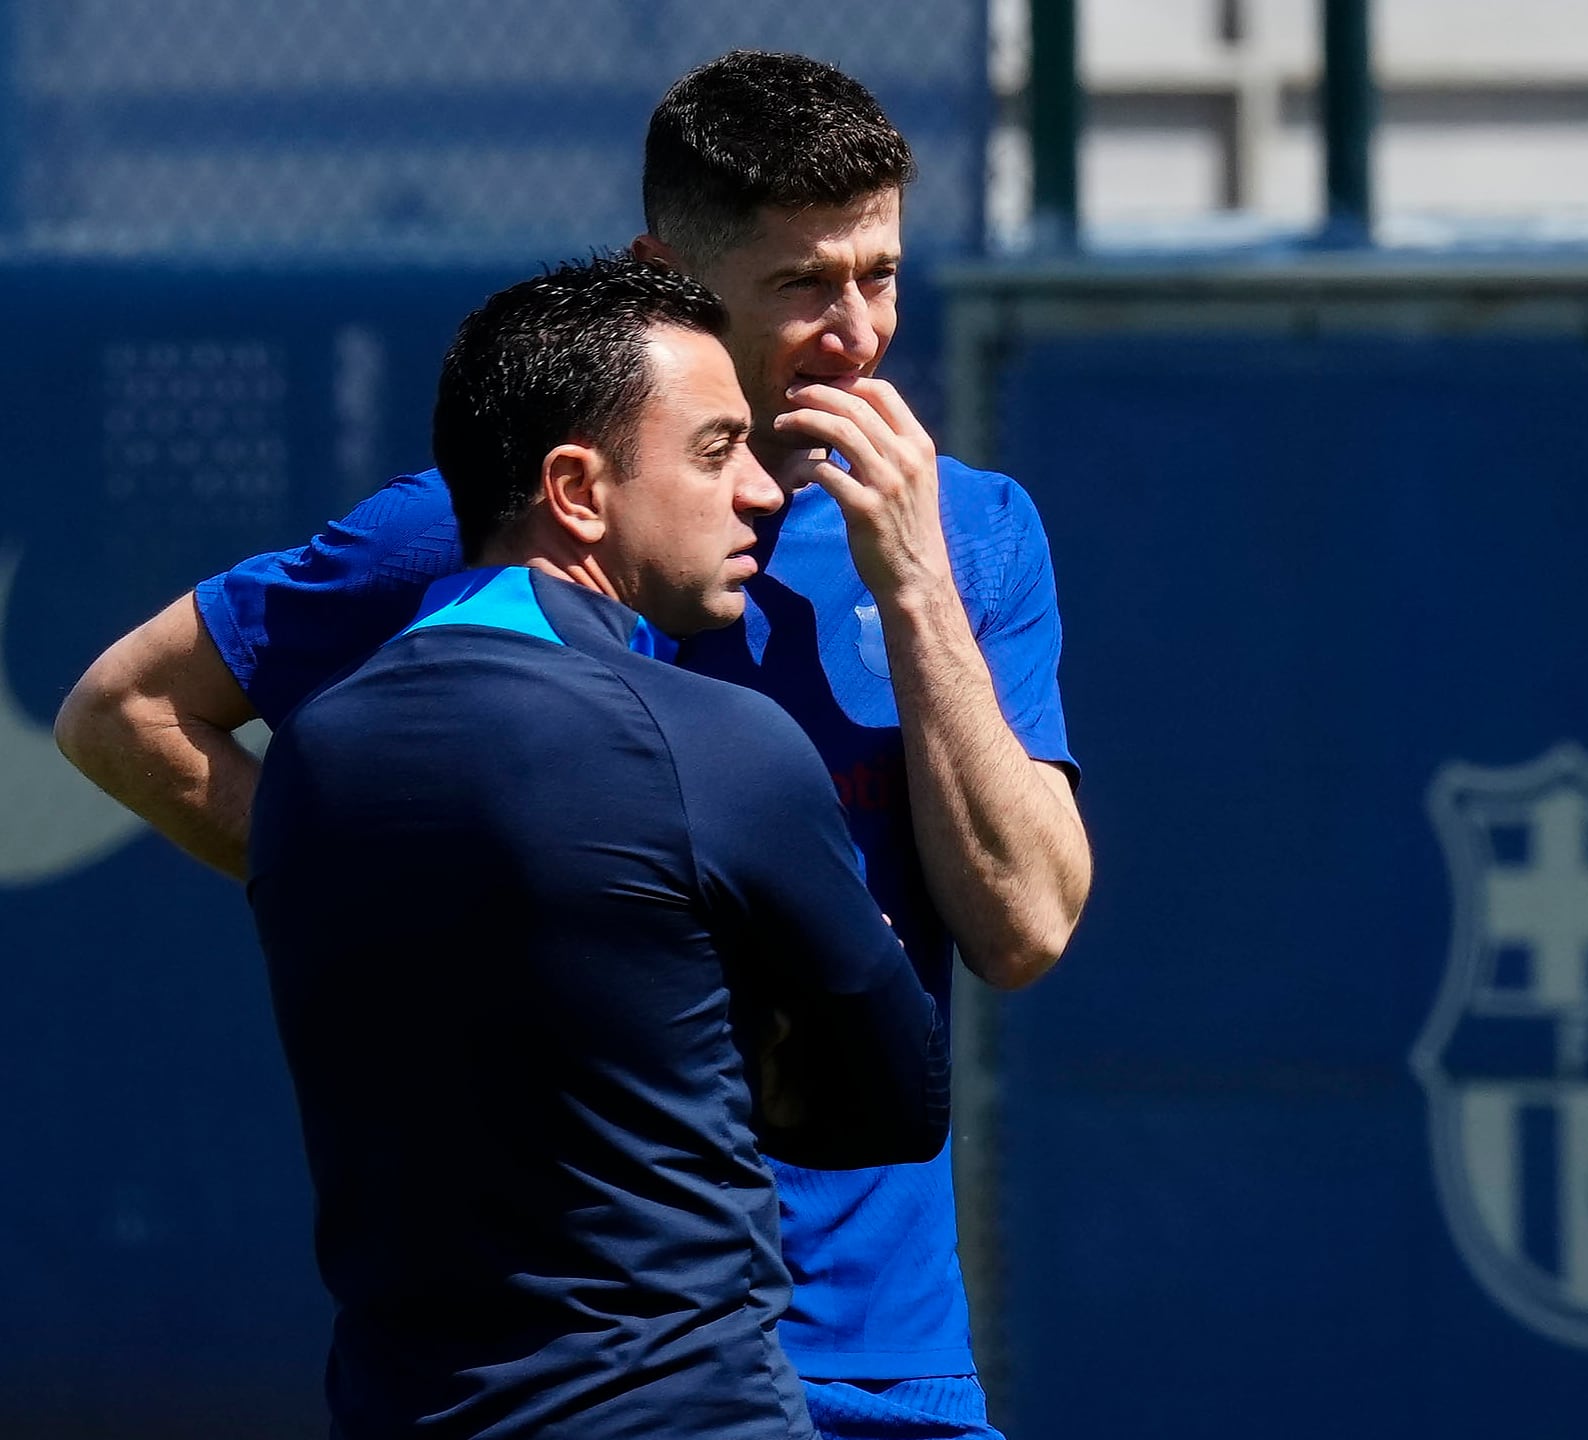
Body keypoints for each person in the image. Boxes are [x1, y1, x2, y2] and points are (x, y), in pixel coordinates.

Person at [54, 49, 1090, 1440]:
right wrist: (415, 893)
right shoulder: (500, 527)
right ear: (670, 272)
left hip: (883, 1364)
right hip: (588, 1355)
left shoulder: (969, 534)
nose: (857, 332)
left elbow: (1024, 924)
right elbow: (125, 713)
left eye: (881, 274)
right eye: (803, 284)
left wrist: (913, 586)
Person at [251, 255, 950, 1438]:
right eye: (716, 451)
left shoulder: (312, 759)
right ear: (577, 489)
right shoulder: (715, 745)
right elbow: (901, 1100)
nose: (764, 494)